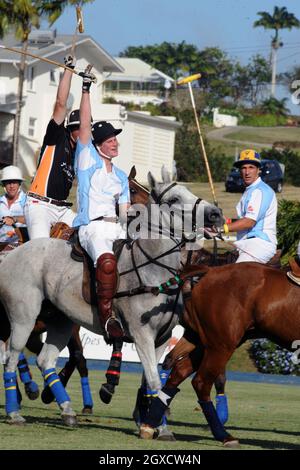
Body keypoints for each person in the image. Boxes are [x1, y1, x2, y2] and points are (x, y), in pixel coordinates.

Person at [73, 72, 130, 340]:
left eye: (116, 139)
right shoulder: (87, 160)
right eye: (109, 140)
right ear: (97, 145)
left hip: (115, 226)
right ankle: (107, 318)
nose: (115, 142)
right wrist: (86, 88)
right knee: (107, 262)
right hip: (91, 227)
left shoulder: (120, 176)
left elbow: (127, 211)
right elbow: (85, 124)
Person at [24, 55, 79, 239]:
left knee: (88, 233)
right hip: (40, 205)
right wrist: (69, 70)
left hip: (62, 210)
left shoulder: (81, 152)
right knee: (41, 249)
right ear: (71, 128)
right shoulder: (57, 136)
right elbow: (61, 103)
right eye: (80, 128)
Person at [218, 149, 278, 263]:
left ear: (259, 170)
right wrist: (226, 222)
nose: (247, 172)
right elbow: (244, 219)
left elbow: (249, 222)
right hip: (247, 244)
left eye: (251, 167)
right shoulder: (250, 190)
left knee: (236, 276)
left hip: (259, 245)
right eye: (243, 168)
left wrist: (221, 229)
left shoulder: (260, 191)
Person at [0, 165, 27, 244]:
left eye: (14, 182)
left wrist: (14, 219)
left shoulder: (27, 201)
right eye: (8, 182)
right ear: (3, 185)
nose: (11, 186)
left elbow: (34, 218)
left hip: (22, 246)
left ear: (19, 184)